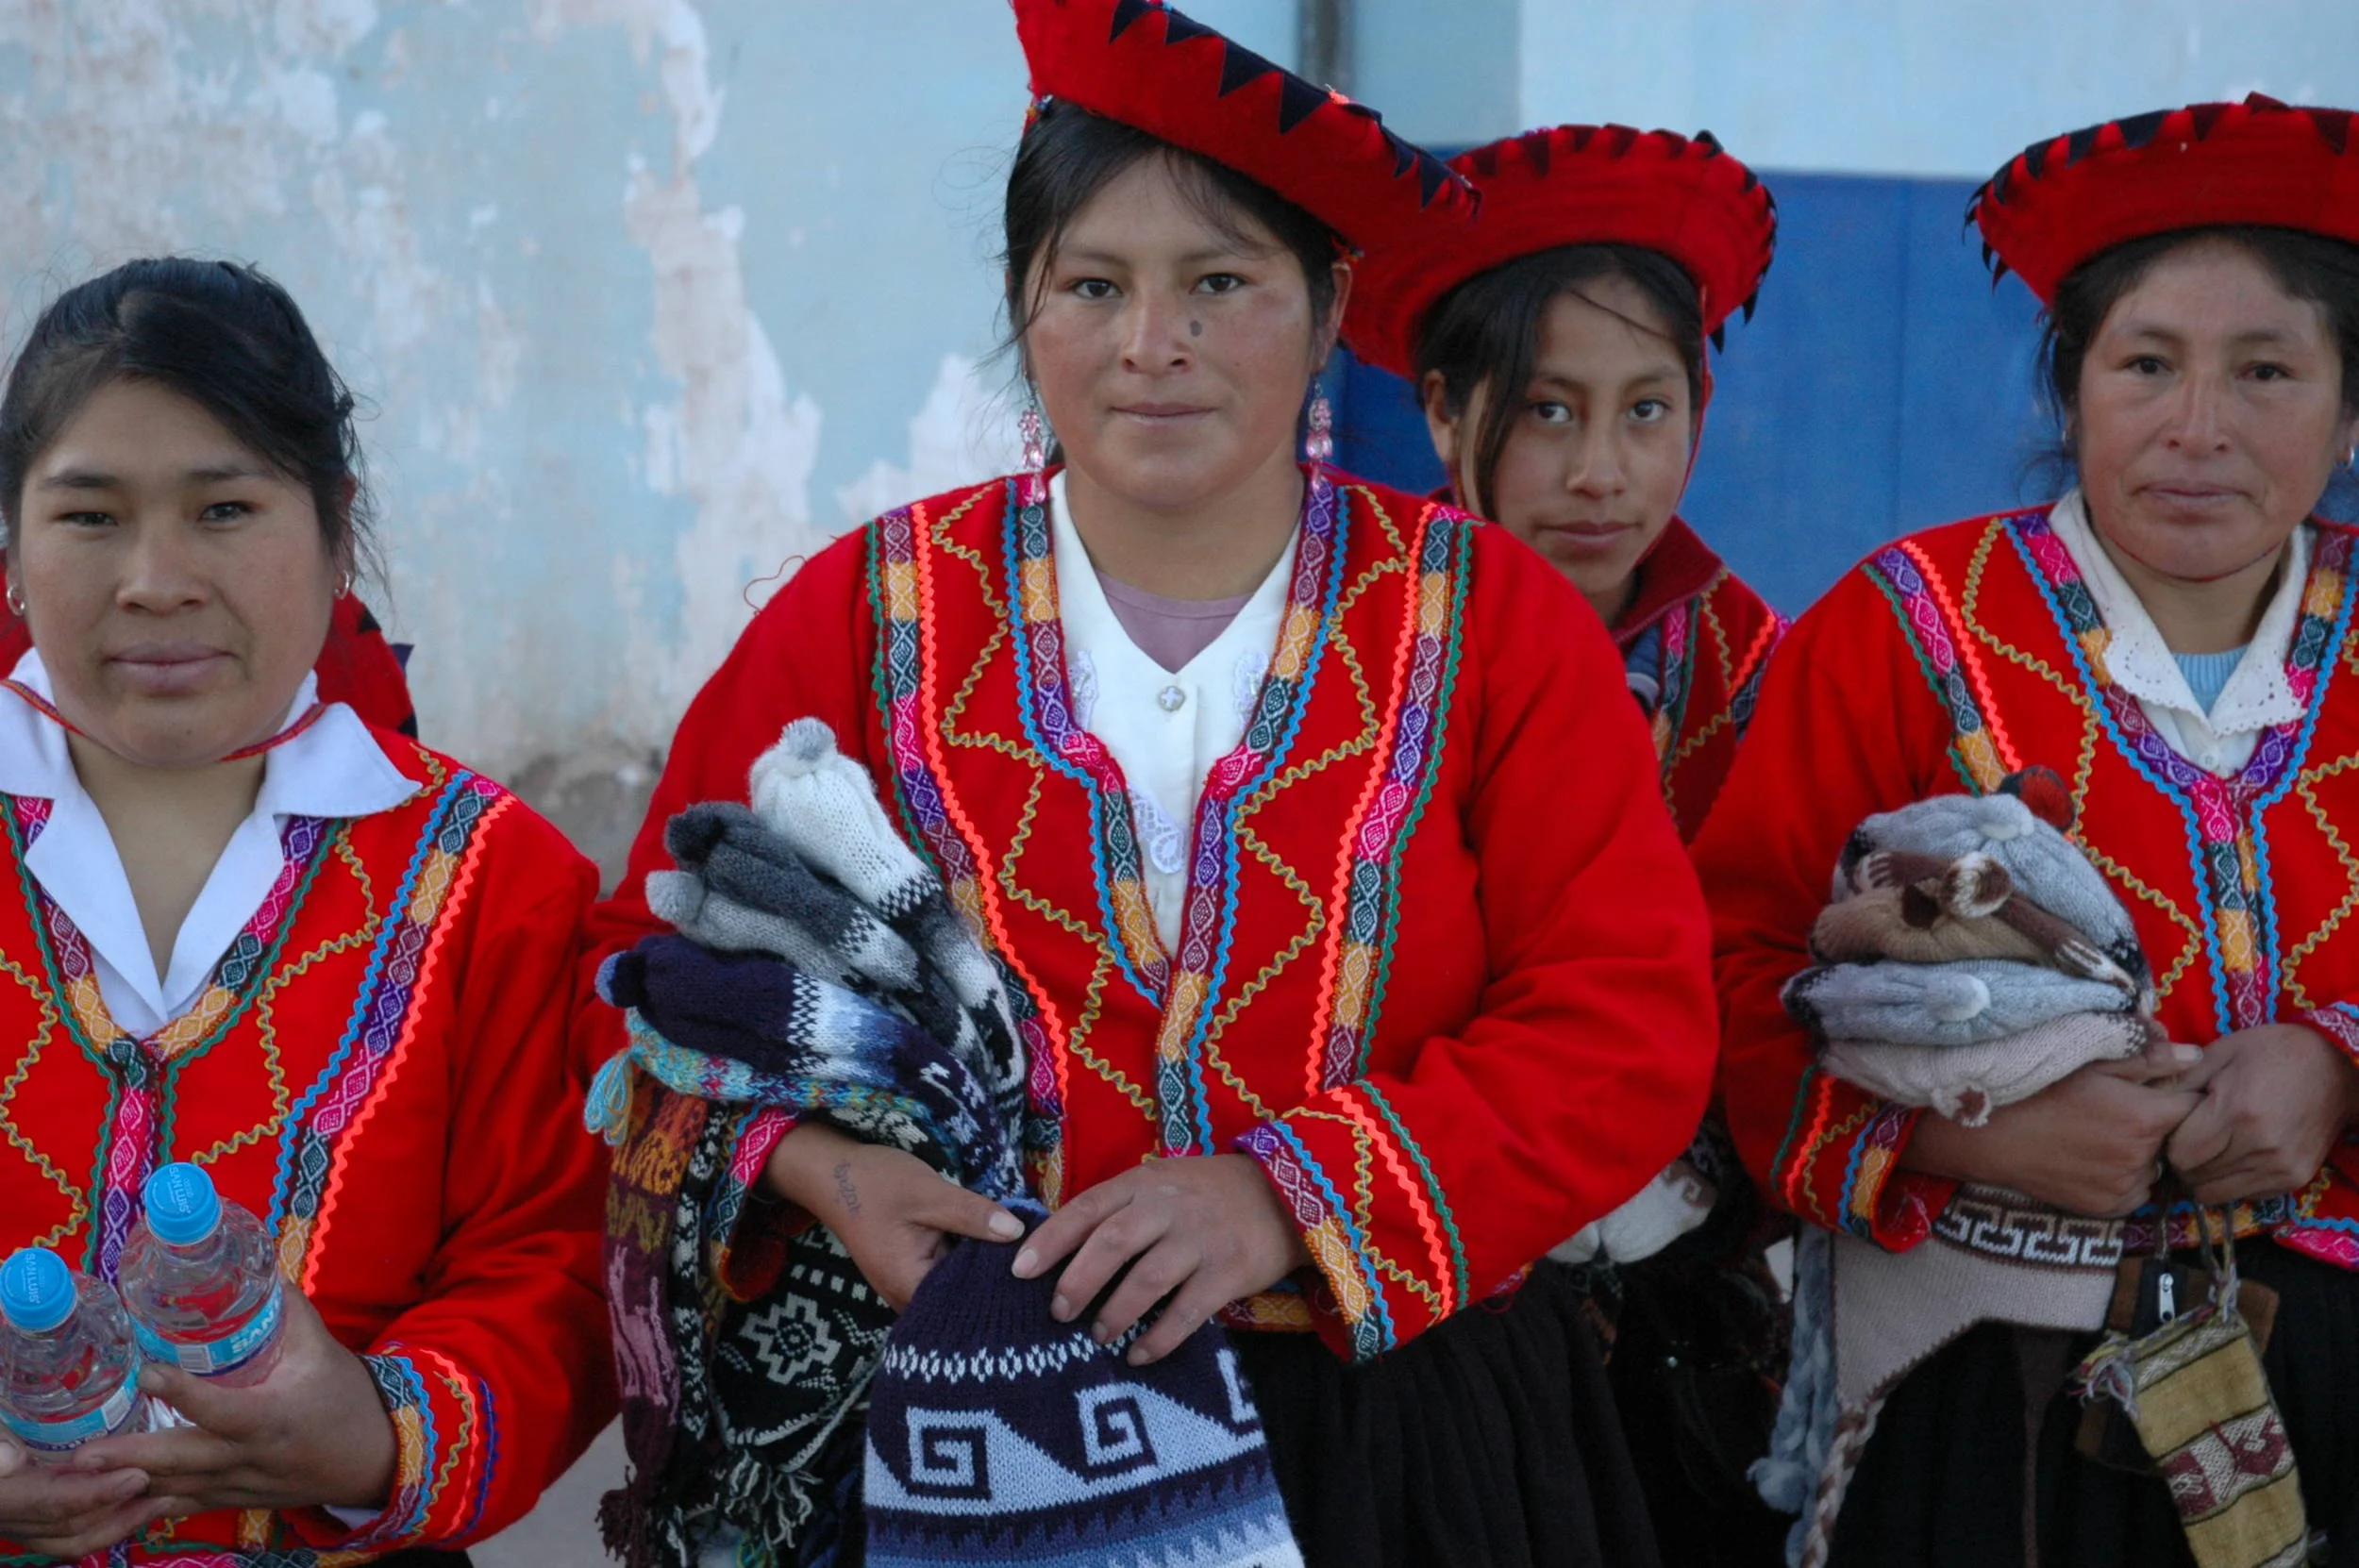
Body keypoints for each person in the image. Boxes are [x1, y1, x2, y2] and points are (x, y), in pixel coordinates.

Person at [582, 2, 1718, 1562]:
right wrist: (826, 1171)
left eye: (1222, 285)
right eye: (1094, 286)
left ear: (1327, 311)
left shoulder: (1487, 621)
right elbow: (641, 975)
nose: (1150, 345)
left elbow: (1628, 1020)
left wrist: (1289, 1195)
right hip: (960, 1415)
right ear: (1022, 305)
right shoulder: (868, 610)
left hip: (1400, 1428)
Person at [1698, 93, 2359, 1565]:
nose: (2199, 428)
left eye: (2266, 370)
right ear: (2071, 393)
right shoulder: (1898, 633)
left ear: (2350, 404)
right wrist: (1954, 1134)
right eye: (2145, 364)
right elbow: (1726, 978)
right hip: (1978, 1384)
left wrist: (2337, 1066)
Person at [0, 259, 613, 1564]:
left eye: (226, 508)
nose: (155, 580)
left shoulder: (494, 878)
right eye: (90, 515)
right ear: (11, 550)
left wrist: (380, 1431)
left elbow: (549, 1259)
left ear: (337, 533)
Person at [1346, 122, 1790, 1564]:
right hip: (1411, 1288)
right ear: (1439, 407)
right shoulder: (1356, 648)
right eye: (1546, 411)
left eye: (1648, 410)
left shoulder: (1752, 665)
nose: (1604, 470)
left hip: (1683, 1300)